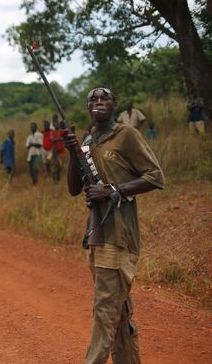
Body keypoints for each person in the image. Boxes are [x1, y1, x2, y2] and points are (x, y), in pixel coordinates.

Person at [63, 87, 164, 364]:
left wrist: (113, 190)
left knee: (105, 309)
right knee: (117, 312)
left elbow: (156, 176)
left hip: (119, 236)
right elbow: (74, 188)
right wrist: (73, 152)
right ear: (87, 108)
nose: (98, 102)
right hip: (96, 234)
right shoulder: (88, 141)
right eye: (93, 99)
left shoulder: (127, 135)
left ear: (114, 105)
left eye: (104, 98)